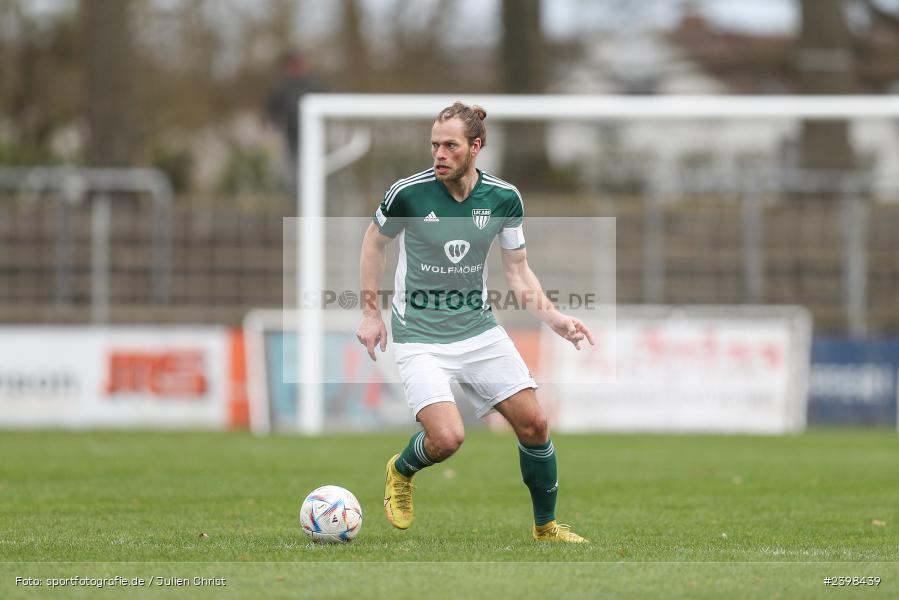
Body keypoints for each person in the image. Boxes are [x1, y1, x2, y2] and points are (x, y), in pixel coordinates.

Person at [356, 102, 594, 543]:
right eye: (434, 145)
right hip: (420, 336)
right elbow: (374, 243)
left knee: (535, 425)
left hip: (479, 330)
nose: (439, 154)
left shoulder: (504, 198)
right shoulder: (408, 192)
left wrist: (554, 317)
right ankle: (400, 469)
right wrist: (371, 312)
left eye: (450, 145)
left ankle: (546, 528)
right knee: (447, 438)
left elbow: (519, 271)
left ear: (476, 147)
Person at [265, 49, 324, 196]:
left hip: (316, 142)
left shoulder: (315, 86)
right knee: (294, 180)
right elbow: (272, 116)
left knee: (318, 178)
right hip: (292, 141)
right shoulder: (281, 90)